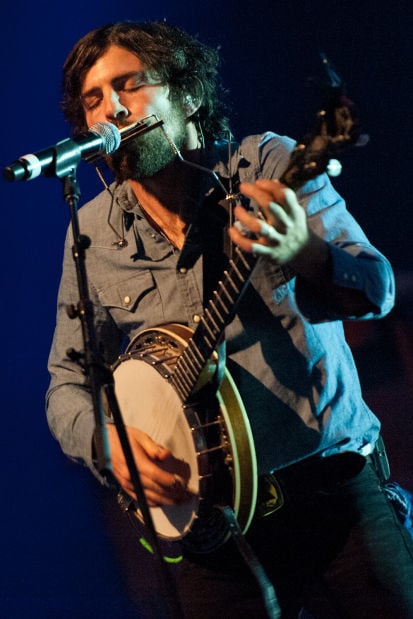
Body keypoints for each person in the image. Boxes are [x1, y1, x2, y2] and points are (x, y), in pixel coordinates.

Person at [45, 20, 413, 618]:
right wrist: (108, 446)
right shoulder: (90, 233)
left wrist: (305, 253)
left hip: (334, 498)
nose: (112, 108)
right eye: (94, 101)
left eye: (129, 85)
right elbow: (66, 385)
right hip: (209, 535)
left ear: (188, 96)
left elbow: (378, 290)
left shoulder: (270, 163)